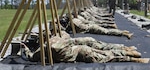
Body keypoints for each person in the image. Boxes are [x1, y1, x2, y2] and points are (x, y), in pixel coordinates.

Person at [21, 34, 150, 63]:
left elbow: (32, 57)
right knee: (106, 52)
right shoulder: (58, 38)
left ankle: (133, 58)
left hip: (82, 52)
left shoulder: (44, 49)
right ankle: (127, 51)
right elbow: (67, 37)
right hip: (82, 47)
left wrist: (25, 49)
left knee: (107, 57)